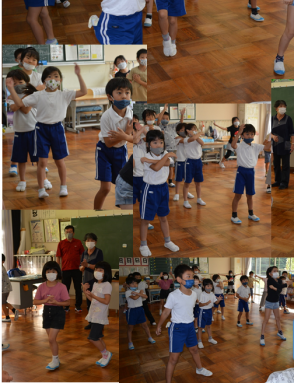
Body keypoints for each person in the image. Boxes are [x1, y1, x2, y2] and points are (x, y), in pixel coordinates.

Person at [6, 64, 87, 199]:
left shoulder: (64, 94)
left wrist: (78, 74)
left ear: (60, 80)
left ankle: (63, 187)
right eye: (49, 77)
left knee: (59, 161)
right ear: (44, 81)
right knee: (42, 162)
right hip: (41, 130)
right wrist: (10, 88)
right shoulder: (38, 95)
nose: (53, 79)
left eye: (56, 76)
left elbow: (83, 91)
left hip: (57, 129)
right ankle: (41, 189)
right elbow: (19, 104)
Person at [156, 264, 213, 382]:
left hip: (190, 327)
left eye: (192, 276)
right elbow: (166, 312)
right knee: (173, 358)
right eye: (188, 276)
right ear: (179, 279)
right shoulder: (173, 295)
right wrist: (159, 326)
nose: (192, 279)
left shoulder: (194, 294)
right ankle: (168, 382)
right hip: (177, 328)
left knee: (194, 350)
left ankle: (199, 369)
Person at [6, 69, 49, 193]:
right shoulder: (11, 96)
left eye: (20, 82)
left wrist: (21, 98)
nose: (18, 85)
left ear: (26, 82)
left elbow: (26, 110)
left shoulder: (32, 94)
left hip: (34, 130)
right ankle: (22, 180)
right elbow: (14, 108)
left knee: (38, 158)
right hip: (20, 131)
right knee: (21, 159)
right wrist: (18, 97)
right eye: (14, 83)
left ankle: (44, 179)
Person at [94, 78, 133, 210]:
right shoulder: (106, 116)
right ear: (110, 97)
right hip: (104, 151)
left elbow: (136, 139)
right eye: (119, 93)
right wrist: (125, 135)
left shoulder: (132, 115)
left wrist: (126, 136)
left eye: (127, 92)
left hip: (121, 151)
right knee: (105, 188)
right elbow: (108, 143)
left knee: (123, 185)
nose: (124, 96)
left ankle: (124, 213)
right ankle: (96, 213)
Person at [139, 129, 179, 256]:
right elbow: (157, 167)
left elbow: (167, 163)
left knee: (163, 217)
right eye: (155, 143)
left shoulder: (156, 156)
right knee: (145, 220)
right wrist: (165, 157)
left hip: (163, 188)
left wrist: (152, 160)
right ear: (148, 144)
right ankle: (143, 244)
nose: (159, 145)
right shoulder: (146, 155)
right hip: (150, 189)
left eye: (161, 142)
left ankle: (167, 241)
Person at [230, 123, 271, 224]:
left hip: (251, 172)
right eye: (247, 134)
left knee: (250, 195)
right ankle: (234, 215)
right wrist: (239, 132)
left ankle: (251, 213)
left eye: (252, 134)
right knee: (238, 195)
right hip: (241, 172)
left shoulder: (255, 146)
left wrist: (272, 137)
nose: (250, 136)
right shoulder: (239, 146)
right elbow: (233, 145)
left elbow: (267, 146)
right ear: (242, 135)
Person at [33, 261, 70, 370]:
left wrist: (57, 303)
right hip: (46, 312)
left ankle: (55, 360)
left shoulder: (62, 287)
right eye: (48, 271)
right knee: (51, 339)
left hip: (58, 312)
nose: (51, 274)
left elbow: (67, 302)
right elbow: (35, 301)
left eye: (53, 271)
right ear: (45, 273)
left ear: (58, 273)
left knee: (51, 338)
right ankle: (56, 359)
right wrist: (45, 300)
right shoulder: (41, 286)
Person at [83, 261, 113, 367]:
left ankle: (106, 354)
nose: (97, 271)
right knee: (99, 337)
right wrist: (86, 292)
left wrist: (94, 296)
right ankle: (105, 355)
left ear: (106, 272)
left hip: (100, 316)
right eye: (96, 269)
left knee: (92, 338)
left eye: (100, 270)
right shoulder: (96, 284)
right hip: (94, 315)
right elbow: (93, 300)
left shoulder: (107, 285)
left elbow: (106, 301)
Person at [56, 225, 84, 312]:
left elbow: (82, 255)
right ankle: (66, 306)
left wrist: (82, 266)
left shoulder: (78, 242)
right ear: (65, 233)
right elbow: (58, 257)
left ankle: (78, 306)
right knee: (65, 289)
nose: (69, 233)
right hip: (65, 269)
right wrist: (57, 269)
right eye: (67, 232)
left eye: (70, 232)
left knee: (78, 288)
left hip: (77, 269)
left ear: (73, 233)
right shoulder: (61, 243)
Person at [157, 105, 185, 188]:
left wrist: (182, 114)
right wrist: (164, 110)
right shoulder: (159, 126)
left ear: (169, 119)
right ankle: (162, 180)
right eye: (163, 118)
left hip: (173, 149)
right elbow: (158, 120)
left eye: (167, 118)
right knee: (162, 165)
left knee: (171, 166)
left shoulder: (172, 126)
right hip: (163, 150)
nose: (165, 119)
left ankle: (170, 181)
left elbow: (180, 123)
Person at [79, 232, 104, 327]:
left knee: (97, 301)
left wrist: (87, 265)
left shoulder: (99, 252)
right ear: (85, 242)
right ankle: (91, 322)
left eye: (91, 240)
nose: (89, 242)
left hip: (96, 280)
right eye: (87, 240)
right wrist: (82, 267)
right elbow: (80, 267)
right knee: (89, 302)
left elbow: (100, 267)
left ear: (95, 242)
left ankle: (99, 323)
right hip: (86, 279)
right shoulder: (84, 253)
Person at [125, 275, 155, 349]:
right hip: (132, 311)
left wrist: (138, 293)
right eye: (132, 283)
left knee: (145, 325)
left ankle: (150, 337)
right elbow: (135, 298)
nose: (135, 285)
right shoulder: (128, 292)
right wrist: (140, 293)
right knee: (130, 328)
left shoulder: (138, 291)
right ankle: (130, 342)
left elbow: (146, 297)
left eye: (136, 283)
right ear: (128, 285)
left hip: (140, 310)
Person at [271, 100, 294, 190]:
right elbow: (269, 132)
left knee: (285, 165)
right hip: (275, 145)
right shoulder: (272, 119)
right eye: (281, 106)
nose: (283, 108)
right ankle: (277, 181)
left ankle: (284, 183)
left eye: (284, 106)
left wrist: (293, 144)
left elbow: (292, 133)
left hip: (286, 144)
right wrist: (273, 136)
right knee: (276, 164)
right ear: (276, 108)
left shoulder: (288, 119)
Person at [260, 266, 286, 346]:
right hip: (269, 302)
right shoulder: (270, 280)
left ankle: (280, 332)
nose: (276, 272)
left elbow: (280, 290)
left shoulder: (279, 280)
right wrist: (285, 285)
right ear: (270, 273)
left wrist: (275, 288)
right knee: (266, 319)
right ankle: (262, 336)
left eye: (277, 271)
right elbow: (280, 287)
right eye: (274, 271)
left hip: (276, 302)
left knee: (278, 318)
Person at [183, 123, 207, 208]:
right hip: (189, 162)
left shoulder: (197, 139)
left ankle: (199, 199)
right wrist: (198, 133)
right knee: (187, 182)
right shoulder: (186, 139)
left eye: (195, 129)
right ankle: (185, 201)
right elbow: (193, 138)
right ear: (187, 131)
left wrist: (197, 135)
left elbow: (202, 143)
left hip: (198, 161)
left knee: (198, 182)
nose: (194, 130)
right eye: (192, 129)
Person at [173, 122, 195, 202]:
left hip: (187, 161)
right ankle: (177, 193)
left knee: (187, 178)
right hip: (180, 161)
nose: (184, 131)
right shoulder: (177, 138)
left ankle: (187, 192)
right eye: (182, 130)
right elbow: (185, 141)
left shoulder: (188, 138)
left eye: (185, 130)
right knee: (178, 179)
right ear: (178, 131)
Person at [197, 278, 220, 347]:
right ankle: (199, 341)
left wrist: (218, 300)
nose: (209, 287)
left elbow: (215, 302)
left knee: (209, 326)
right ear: (204, 287)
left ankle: (210, 338)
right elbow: (200, 305)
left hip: (209, 311)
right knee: (200, 327)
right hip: (203, 311)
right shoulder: (202, 294)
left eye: (210, 286)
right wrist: (206, 303)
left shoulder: (212, 294)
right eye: (208, 286)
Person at [2, 255, 16, 323]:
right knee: (3, 303)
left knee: (3, 303)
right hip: (6, 288)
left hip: (3, 289)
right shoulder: (2, 267)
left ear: (2, 261)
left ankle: (14, 310)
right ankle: (7, 317)